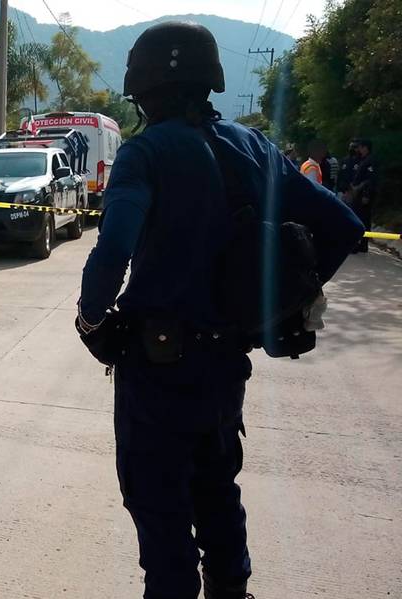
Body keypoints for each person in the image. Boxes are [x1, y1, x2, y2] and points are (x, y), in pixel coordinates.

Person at [75, 21, 364, 599]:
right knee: (218, 494)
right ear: (209, 80)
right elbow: (343, 226)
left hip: (157, 372)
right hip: (226, 365)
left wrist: (91, 317)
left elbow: (114, 247)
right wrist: (279, 308)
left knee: (159, 509)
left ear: (144, 87)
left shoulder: (146, 151)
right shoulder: (253, 147)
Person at [349, 138, 377, 252]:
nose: (358, 150)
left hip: (364, 196)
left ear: (365, 148)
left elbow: (370, 180)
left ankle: (361, 244)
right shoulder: (362, 160)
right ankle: (360, 243)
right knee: (360, 218)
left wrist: (366, 195)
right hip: (358, 194)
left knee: (362, 219)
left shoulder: (370, 161)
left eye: (360, 147)